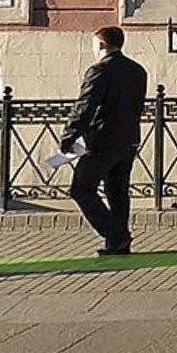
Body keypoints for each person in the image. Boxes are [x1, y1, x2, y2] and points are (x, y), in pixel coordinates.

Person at [62, 26, 150, 257]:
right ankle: (119, 243)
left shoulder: (99, 70)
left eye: (94, 45)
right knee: (117, 191)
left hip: (102, 141)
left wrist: (69, 136)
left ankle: (116, 235)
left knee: (81, 189)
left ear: (101, 44)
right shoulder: (137, 70)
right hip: (129, 139)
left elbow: (86, 106)